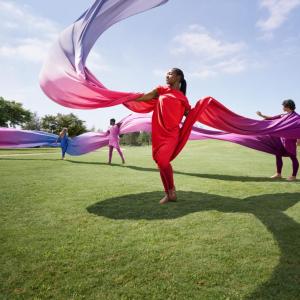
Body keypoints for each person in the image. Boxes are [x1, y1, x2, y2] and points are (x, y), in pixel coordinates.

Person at [135, 68, 191, 204]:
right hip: (159, 132)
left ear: (178, 77)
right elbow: (147, 96)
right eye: (166, 74)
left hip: (172, 134)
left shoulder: (183, 98)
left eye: (170, 74)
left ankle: (171, 191)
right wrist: (128, 97)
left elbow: (189, 115)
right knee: (160, 163)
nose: (167, 75)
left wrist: (201, 111)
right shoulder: (161, 90)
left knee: (163, 161)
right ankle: (169, 194)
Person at [257, 99, 299, 181]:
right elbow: (272, 118)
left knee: (293, 158)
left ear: (287, 106)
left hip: (290, 141)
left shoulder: (297, 117)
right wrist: (261, 115)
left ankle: (293, 176)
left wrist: (298, 140)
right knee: (278, 155)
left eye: (283, 106)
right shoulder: (283, 115)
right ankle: (278, 174)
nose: (282, 107)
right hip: (281, 140)